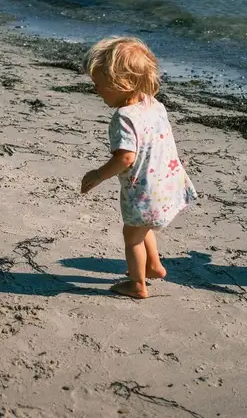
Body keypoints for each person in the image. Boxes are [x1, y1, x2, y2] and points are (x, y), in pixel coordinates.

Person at [80, 36, 198, 299]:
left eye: (99, 85)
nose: (96, 90)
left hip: (144, 191)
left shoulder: (123, 117)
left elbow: (125, 158)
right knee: (142, 226)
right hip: (167, 183)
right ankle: (153, 266)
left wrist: (97, 175)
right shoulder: (153, 104)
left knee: (131, 235)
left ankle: (137, 284)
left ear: (122, 83)